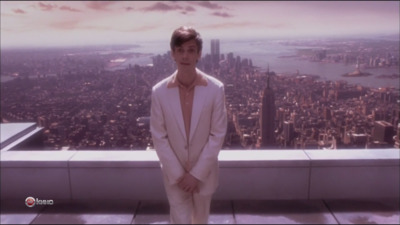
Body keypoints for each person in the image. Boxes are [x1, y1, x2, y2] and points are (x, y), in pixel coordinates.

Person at [150, 26, 227, 224]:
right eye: (180, 50)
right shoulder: (159, 92)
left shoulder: (215, 89)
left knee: (201, 220)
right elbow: (159, 137)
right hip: (174, 177)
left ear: (199, 54)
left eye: (191, 50)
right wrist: (179, 175)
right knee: (180, 221)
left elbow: (217, 135)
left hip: (204, 176)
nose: (185, 56)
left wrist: (196, 175)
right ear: (172, 54)